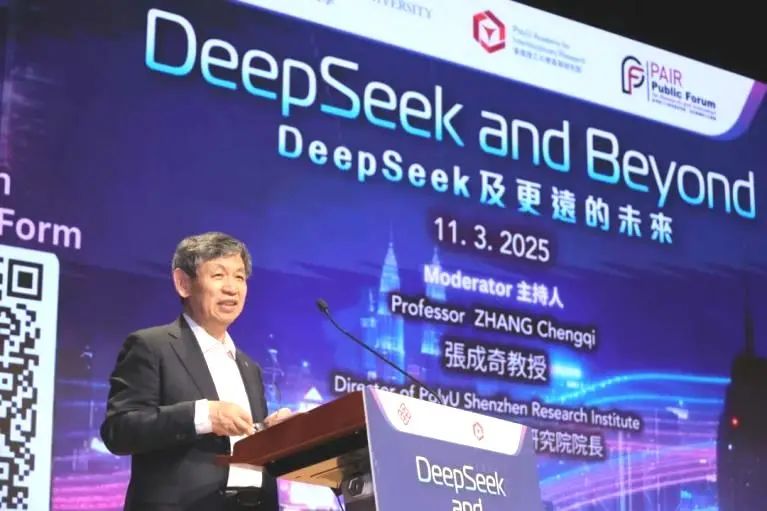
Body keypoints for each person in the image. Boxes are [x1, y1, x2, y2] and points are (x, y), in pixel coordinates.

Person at [100, 232, 293, 511]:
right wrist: (203, 416)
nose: (232, 288)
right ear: (183, 283)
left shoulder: (250, 367)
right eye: (219, 275)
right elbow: (119, 430)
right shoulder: (152, 346)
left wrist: (271, 434)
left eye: (239, 277)